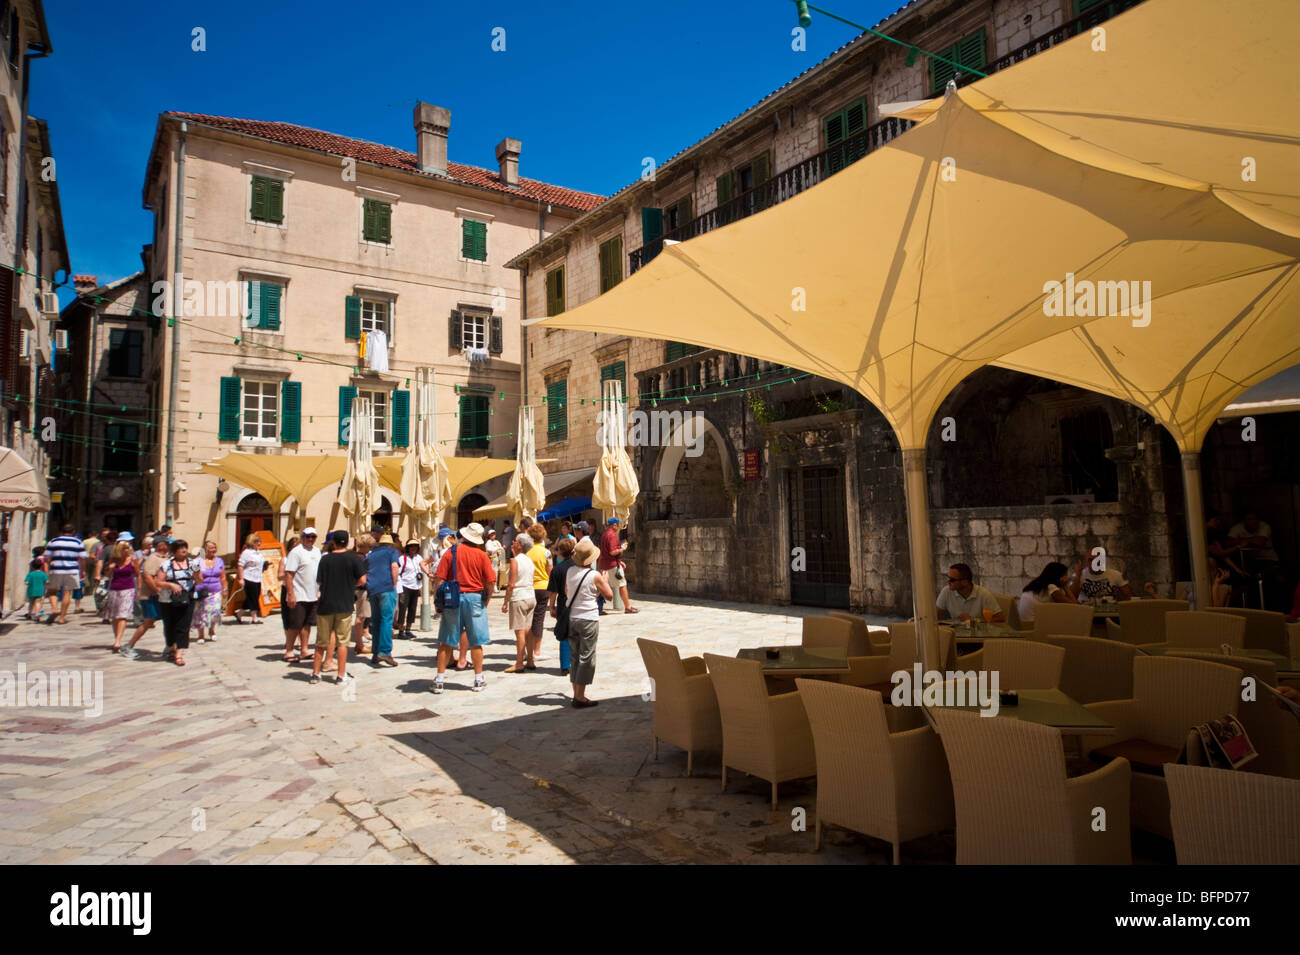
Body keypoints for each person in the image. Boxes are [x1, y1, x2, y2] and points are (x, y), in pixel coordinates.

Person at [429, 522, 496, 694]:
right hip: (474, 598)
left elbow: (440, 579)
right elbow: (490, 581)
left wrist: (438, 601)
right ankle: (478, 679)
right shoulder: (482, 556)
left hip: (453, 598)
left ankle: (439, 679)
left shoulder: (451, 552)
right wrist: (486, 600)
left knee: (447, 640)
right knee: (476, 641)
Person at [312, 530, 366, 686]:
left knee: (321, 641)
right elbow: (362, 580)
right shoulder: (353, 559)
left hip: (326, 604)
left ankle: (316, 673)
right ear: (348, 542)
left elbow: (319, 582)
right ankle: (341, 675)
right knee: (342, 642)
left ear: (333, 542)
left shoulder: (325, 559)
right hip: (344, 604)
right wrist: (350, 585)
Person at [565, 538, 614, 707]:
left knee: (575, 655)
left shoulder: (570, 571)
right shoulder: (595, 575)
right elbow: (609, 596)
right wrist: (604, 582)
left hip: (572, 617)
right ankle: (580, 696)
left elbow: (567, 591)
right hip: (588, 618)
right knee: (587, 656)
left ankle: (576, 692)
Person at [155, 539, 199, 666]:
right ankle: (171, 647)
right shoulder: (166, 565)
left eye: (185, 547)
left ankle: (179, 653)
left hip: (187, 598)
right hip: (168, 600)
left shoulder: (192, 563)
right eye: (180, 548)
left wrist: (197, 574)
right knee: (170, 625)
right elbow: (158, 582)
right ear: (174, 551)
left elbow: (199, 580)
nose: (184, 550)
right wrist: (170, 585)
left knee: (184, 626)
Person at [123, 538, 169, 659]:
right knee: (148, 622)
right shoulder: (153, 558)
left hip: (163, 595)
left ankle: (170, 647)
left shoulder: (166, 558)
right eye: (166, 543)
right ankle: (129, 646)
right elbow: (148, 577)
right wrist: (158, 591)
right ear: (160, 545)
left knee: (168, 621)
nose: (168, 545)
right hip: (151, 596)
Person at [282, 529, 321, 664]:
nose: (310, 539)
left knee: (307, 623)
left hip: (313, 594)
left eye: (313, 536)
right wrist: (290, 594)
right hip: (299, 594)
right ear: (302, 537)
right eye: (308, 536)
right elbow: (289, 574)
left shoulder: (317, 551)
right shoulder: (296, 552)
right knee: (295, 624)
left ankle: (304, 649)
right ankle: (289, 650)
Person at [366, 532, 401, 667]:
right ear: (390, 544)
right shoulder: (392, 552)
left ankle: (375, 652)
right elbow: (394, 567)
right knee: (387, 619)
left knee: (376, 620)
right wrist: (394, 582)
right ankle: (385, 651)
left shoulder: (372, 554)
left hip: (373, 589)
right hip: (386, 587)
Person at [503, 532, 536, 672]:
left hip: (519, 596)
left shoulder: (515, 560)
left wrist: (505, 601)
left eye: (515, 541)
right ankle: (530, 659)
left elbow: (511, 583)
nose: (512, 543)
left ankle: (519, 662)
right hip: (530, 595)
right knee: (528, 630)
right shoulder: (529, 560)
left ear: (520, 545)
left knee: (520, 632)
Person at [43, 524, 87, 626]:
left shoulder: (53, 541)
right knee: (67, 593)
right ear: (73, 532)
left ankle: (54, 609)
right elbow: (82, 558)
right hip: (72, 570)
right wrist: (83, 570)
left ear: (61, 531)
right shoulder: (78, 542)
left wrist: (49, 567)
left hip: (56, 569)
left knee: (52, 591)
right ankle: (62, 618)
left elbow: (47, 557)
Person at [546, 537, 577, 675]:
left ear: (560, 552)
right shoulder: (578, 567)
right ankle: (577, 663)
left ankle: (565, 666)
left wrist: (551, 606)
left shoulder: (557, 570)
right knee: (577, 634)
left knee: (564, 634)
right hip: (578, 603)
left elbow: (553, 592)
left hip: (563, 604)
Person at [935, 563, 1005, 622]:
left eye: (952, 580)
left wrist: (974, 620)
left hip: (978, 635)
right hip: (956, 635)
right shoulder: (946, 591)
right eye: (948, 578)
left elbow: (1000, 618)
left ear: (965, 582)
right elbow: (935, 615)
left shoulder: (983, 594)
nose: (948, 582)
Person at [101, 541, 138, 651]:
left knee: (122, 615)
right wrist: (110, 568)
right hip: (114, 589)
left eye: (127, 548)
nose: (126, 550)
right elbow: (107, 575)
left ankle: (118, 640)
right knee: (114, 616)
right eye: (124, 548)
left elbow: (137, 574)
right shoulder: (114, 561)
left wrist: (139, 589)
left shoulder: (132, 560)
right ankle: (116, 637)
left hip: (128, 589)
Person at [1017, 561, 1082, 625]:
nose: (1067, 578)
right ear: (1059, 576)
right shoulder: (1051, 587)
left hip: (1024, 625)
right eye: (1065, 575)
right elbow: (1074, 606)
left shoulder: (1038, 584)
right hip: (1033, 626)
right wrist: (1065, 586)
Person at [596, 517, 638, 614]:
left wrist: (619, 561)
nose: (618, 526)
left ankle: (598, 607)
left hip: (605, 564)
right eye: (617, 524)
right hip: (612, 565)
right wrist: (622, 548)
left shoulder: (605, 534)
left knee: (603, 586)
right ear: (614, 525)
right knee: (622, 585)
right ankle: (628, 607)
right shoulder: (612, 535)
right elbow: (612, 552)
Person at [527, 522, 553, 666]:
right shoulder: (546, 552)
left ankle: (528, 650)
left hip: (529, 587)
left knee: (529, 620)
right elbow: (550, 570)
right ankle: (536, 650)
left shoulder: (527, 552)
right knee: (538, 619)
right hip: (543, 587)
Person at [192, 540, 227, 644]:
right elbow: (194, 575)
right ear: (205, 549)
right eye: (211, 548)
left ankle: (212, 630)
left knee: (214, 612)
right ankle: (201, 634)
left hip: (216, 590)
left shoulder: (220, 561)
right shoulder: (197, 561)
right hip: (202, 590)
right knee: (201, 613)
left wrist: (225, 588)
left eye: (214, 548)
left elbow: (223, 576)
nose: (213, 550)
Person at [394, 538, 423, 639]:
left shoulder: (418, 558)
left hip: (415, 586)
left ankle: (408, 629)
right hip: (404, 587)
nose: (413, 548)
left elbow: (422, 569)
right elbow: (398, 572)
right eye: (411, 546)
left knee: (413, 608)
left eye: (415, 546)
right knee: (403, 608)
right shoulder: (402, 558)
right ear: (407, 547)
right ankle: (401, 630)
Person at [235, 533, 265, 624]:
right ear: (252, 542)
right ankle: (254, 617)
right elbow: (240, 566)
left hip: (257, 578)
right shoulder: (246, 553)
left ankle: (240, 613)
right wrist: (241, 579)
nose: (259, 543)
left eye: (259, 541)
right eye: (257, 541)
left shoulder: (258, 552)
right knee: (253, 598)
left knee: (253, 597)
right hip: (249, 577)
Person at [352, 534, 374, 655]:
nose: (370, 548)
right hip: (362, 590)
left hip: (359, 589)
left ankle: (359, 643)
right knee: (361, 617)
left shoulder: (357, 556)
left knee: (361, 616)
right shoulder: (361, 559)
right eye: (369, 545)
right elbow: (362, 577)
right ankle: (359, 644)